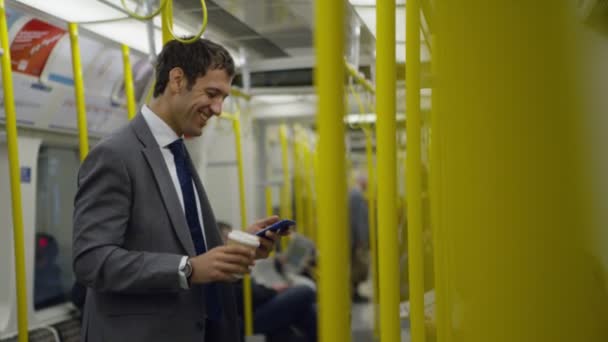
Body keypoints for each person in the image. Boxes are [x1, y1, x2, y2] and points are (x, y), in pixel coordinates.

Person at [72, 38, 282, 342]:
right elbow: (91, 260)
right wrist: (187, 269)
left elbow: (184, 242)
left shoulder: (177, 151)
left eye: (223, 97)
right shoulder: (116, 155)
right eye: (212, 94)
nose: (219, 109)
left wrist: (240, 245)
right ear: (177, 79)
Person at [217, 222, 317, 342]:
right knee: (305, 291)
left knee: (302, 313)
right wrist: (273, 291)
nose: (235, 241)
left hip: (252, 310)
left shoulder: (228, 264)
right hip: (246, 320)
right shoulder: (221, 266)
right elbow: (247, 295)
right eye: (229, 237)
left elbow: (249, 291)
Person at [349, 173, 370, 303]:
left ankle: (354, 293)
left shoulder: (353, 194)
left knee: (355, 266)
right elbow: (358, 220)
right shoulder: (356, 196)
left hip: (353, 238)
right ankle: (354, 294)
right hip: (356, 239)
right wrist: (361, 239)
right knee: (357, 267)